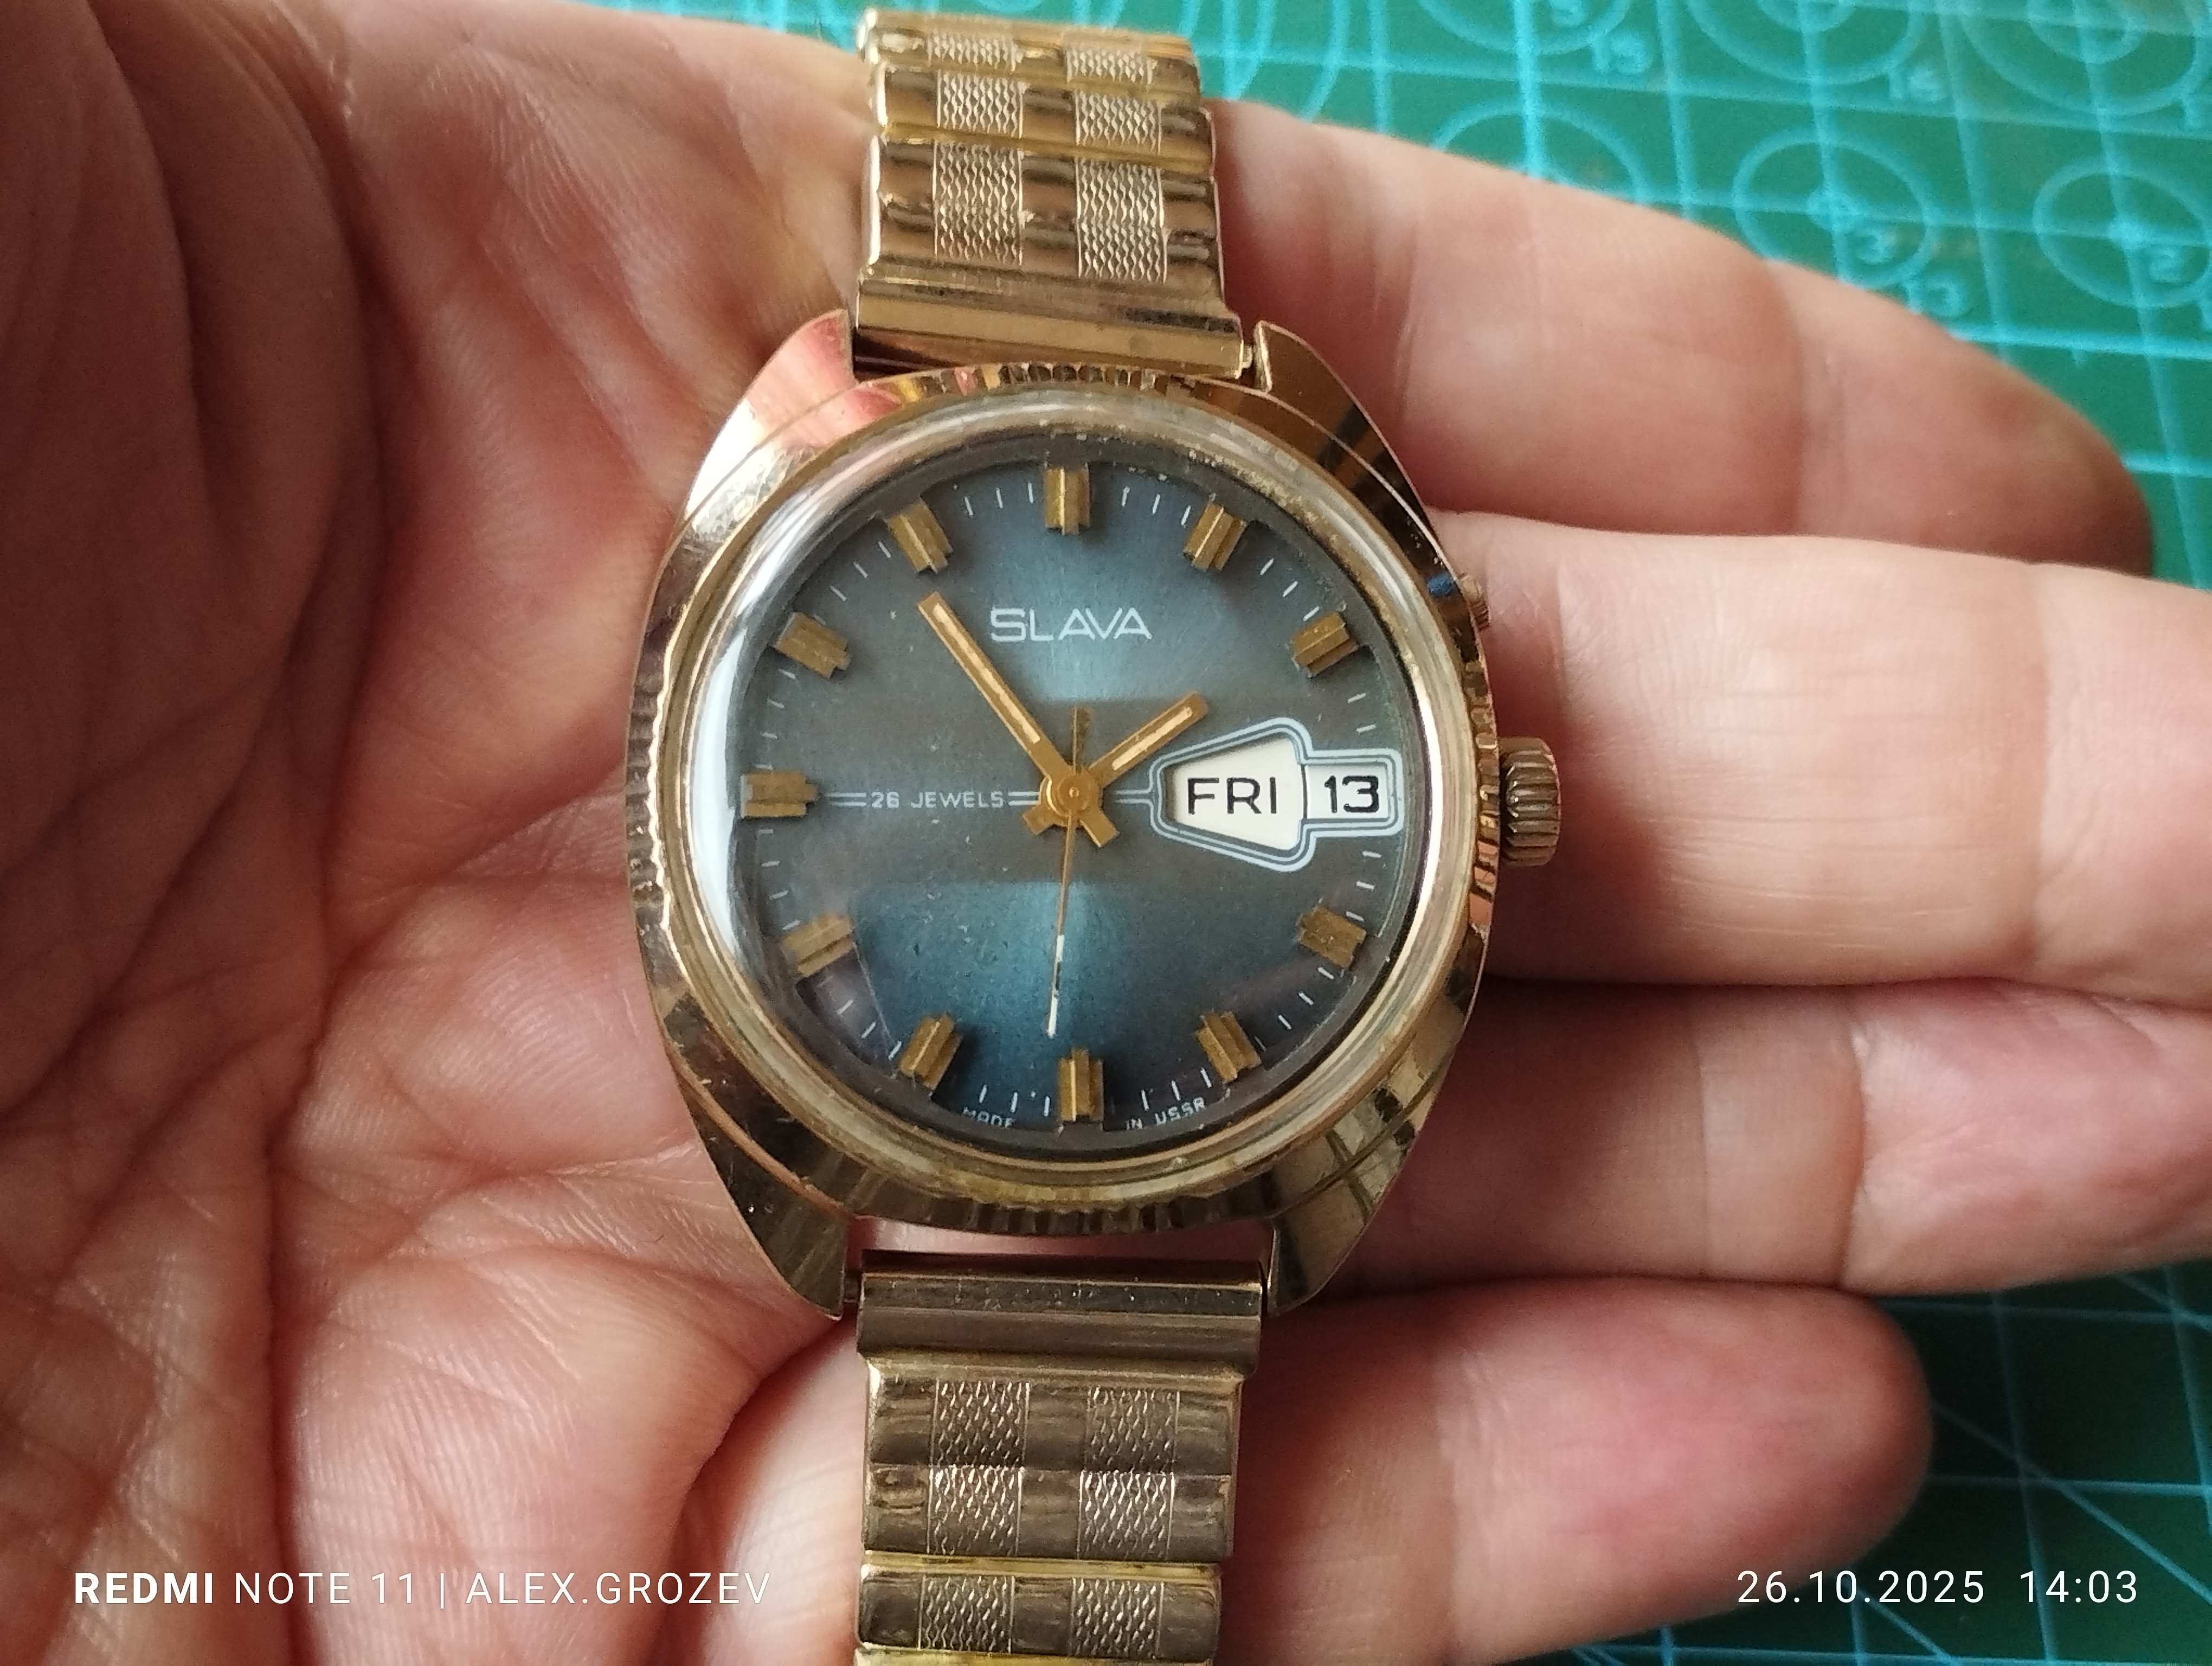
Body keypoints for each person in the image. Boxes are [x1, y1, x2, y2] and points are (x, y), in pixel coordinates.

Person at [5, 0, 2205, 1658]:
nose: (1068, 795)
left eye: (1091, 780)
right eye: (1061, 778)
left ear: (1491, 799)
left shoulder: (1344, 843)